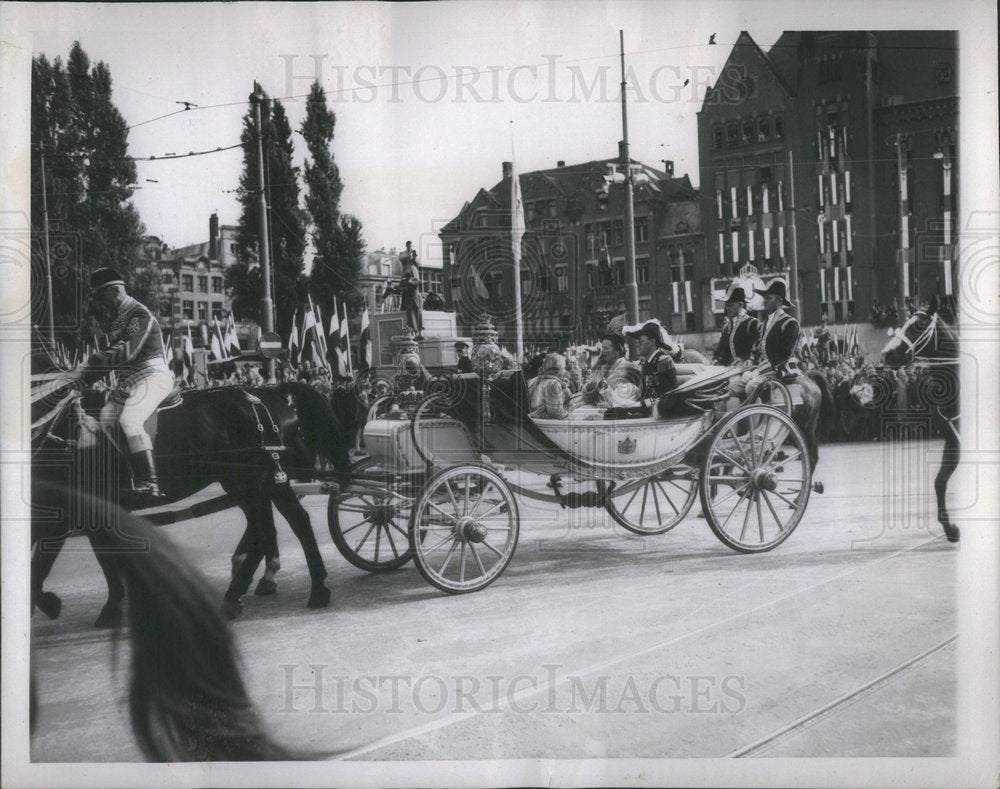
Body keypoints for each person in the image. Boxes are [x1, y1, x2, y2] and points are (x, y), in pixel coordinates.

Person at [78, 267, 175, 500]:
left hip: (153, 376)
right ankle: (128, 474)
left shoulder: (139, 314)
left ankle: (150, 483)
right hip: (132, 382)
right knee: (106, 417)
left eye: (101, 296)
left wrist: (88, 365)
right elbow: (113, 355)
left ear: (114, 291)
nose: (100, 302)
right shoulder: (119, 319)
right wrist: (82, 379)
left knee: (130, 419)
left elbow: (125, 352)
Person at [727, 279, 800, 410]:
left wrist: (758, 371)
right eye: (764, 298)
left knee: (752, 386)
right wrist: (750, 366)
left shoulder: (790, 323)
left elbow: (783, 355)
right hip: (760, 370)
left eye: (768, 298)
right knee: (731, 387)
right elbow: (756, 349)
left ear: (779, 301)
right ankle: (739, 419)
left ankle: (760, 419)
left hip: (779, 370)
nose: (764, 301)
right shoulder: (764, 324)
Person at [624, 319, 678, 417]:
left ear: (652, 342)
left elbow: (666, 396)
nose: (637, 344)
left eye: (641, 341)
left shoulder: (663, 360)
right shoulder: (646, 363)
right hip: (648, 410)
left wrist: (638, 405)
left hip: (661, 414)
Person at [573, 333, 640, 409]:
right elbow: (587, 399)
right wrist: (589, 389)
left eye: (606, 348)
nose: (602, 351)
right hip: (599, 409)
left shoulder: (628, 368)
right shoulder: (602, 369)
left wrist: (609, 400)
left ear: (617, 350)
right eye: (602, 347)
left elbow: (628, 398)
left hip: (616, 411)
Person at [713, 287, 760, 366]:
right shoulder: (726, 327)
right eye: (726, 305)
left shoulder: (752, 323)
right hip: (729, 367)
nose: (728, 308)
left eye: (731, 305)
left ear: (741, 304)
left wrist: (746, 359)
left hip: (747, 367)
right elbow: (721, 349)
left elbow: (757, 347)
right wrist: (716, 359)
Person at [527, 352, 571, 419]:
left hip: (532, 421)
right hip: (544, 423)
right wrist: (571, 415)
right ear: (557, 369)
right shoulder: (553, 384)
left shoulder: (533, 380)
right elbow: (556, 413)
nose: (565, 371)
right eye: (564, 368)